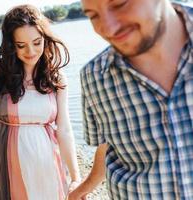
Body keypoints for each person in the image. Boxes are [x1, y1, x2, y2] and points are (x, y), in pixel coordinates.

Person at [68, 0, 193, 199]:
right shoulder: (94, 77)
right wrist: (86, 186)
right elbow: (108, 146)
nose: (108, 28)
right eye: (93, 15)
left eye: (119, 4)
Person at [0, 4, 80, 200]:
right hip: (9, 160)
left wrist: (76, 177)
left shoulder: (56, 78)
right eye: (21, 45)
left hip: (47, 160)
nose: (31, 51)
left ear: (45, 39)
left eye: (37, 42)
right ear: (11, 44)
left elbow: (65, 129)